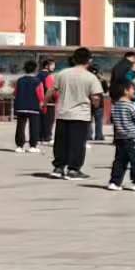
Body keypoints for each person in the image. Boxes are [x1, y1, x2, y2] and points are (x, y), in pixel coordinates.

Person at [47, 48, 102, 179]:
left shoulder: (62, 74)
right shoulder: (91, 77)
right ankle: (73, 169)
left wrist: (44, 102)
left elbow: (51, 90)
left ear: (73, 59)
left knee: (61, 143)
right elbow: (95, 97)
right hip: (80, 115)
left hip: (63, 113)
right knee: (77, 143)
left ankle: (58, 167)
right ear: (89, 60)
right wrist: (96, 105)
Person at [104, 80, 135, 190]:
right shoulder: (131, 105)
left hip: (120, 137)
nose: (134, 91)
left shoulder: (115, 106)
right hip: (134, 137)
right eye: (132, 89)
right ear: (125, 91)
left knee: (119, 161)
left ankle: (114, 182)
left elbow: (113, 120)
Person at [12, 60, 46, 153]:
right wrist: (42, 104)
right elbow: (41, 95)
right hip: (34, 107)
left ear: (25, 69)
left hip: (21, 106)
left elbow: (15, 93)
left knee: (20, 126)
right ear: (35, 69)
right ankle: (33, 146)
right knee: (34, 126)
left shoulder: (20, 80)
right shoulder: (37, 81)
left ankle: (19, 146)